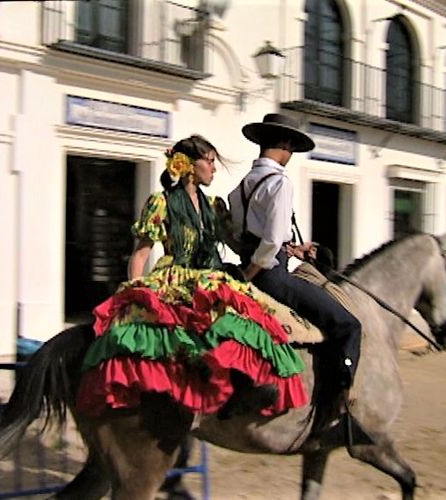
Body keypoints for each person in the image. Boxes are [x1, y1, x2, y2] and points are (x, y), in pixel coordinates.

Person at [75, 134, 308, 423]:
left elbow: (239, 246)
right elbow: (140, 255)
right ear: (188, 165)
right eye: (209, 161)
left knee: (253, 326)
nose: (213, 168)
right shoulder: (161, 203)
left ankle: (239, 391)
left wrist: (291, 248)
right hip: (176, 278)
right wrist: (133, 292)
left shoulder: (215, 206)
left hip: (214, 277)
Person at [228, 113, 362, 407]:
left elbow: (244, 237)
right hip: (272, 277)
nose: (290, 155)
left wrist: (292, 250)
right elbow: (271, 241)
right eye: (290, 148)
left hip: (258, 266)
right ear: (285, 145)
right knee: (348, 324)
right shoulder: (280, 183)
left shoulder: (239, 189)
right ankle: (341, 393)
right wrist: (253, 271)